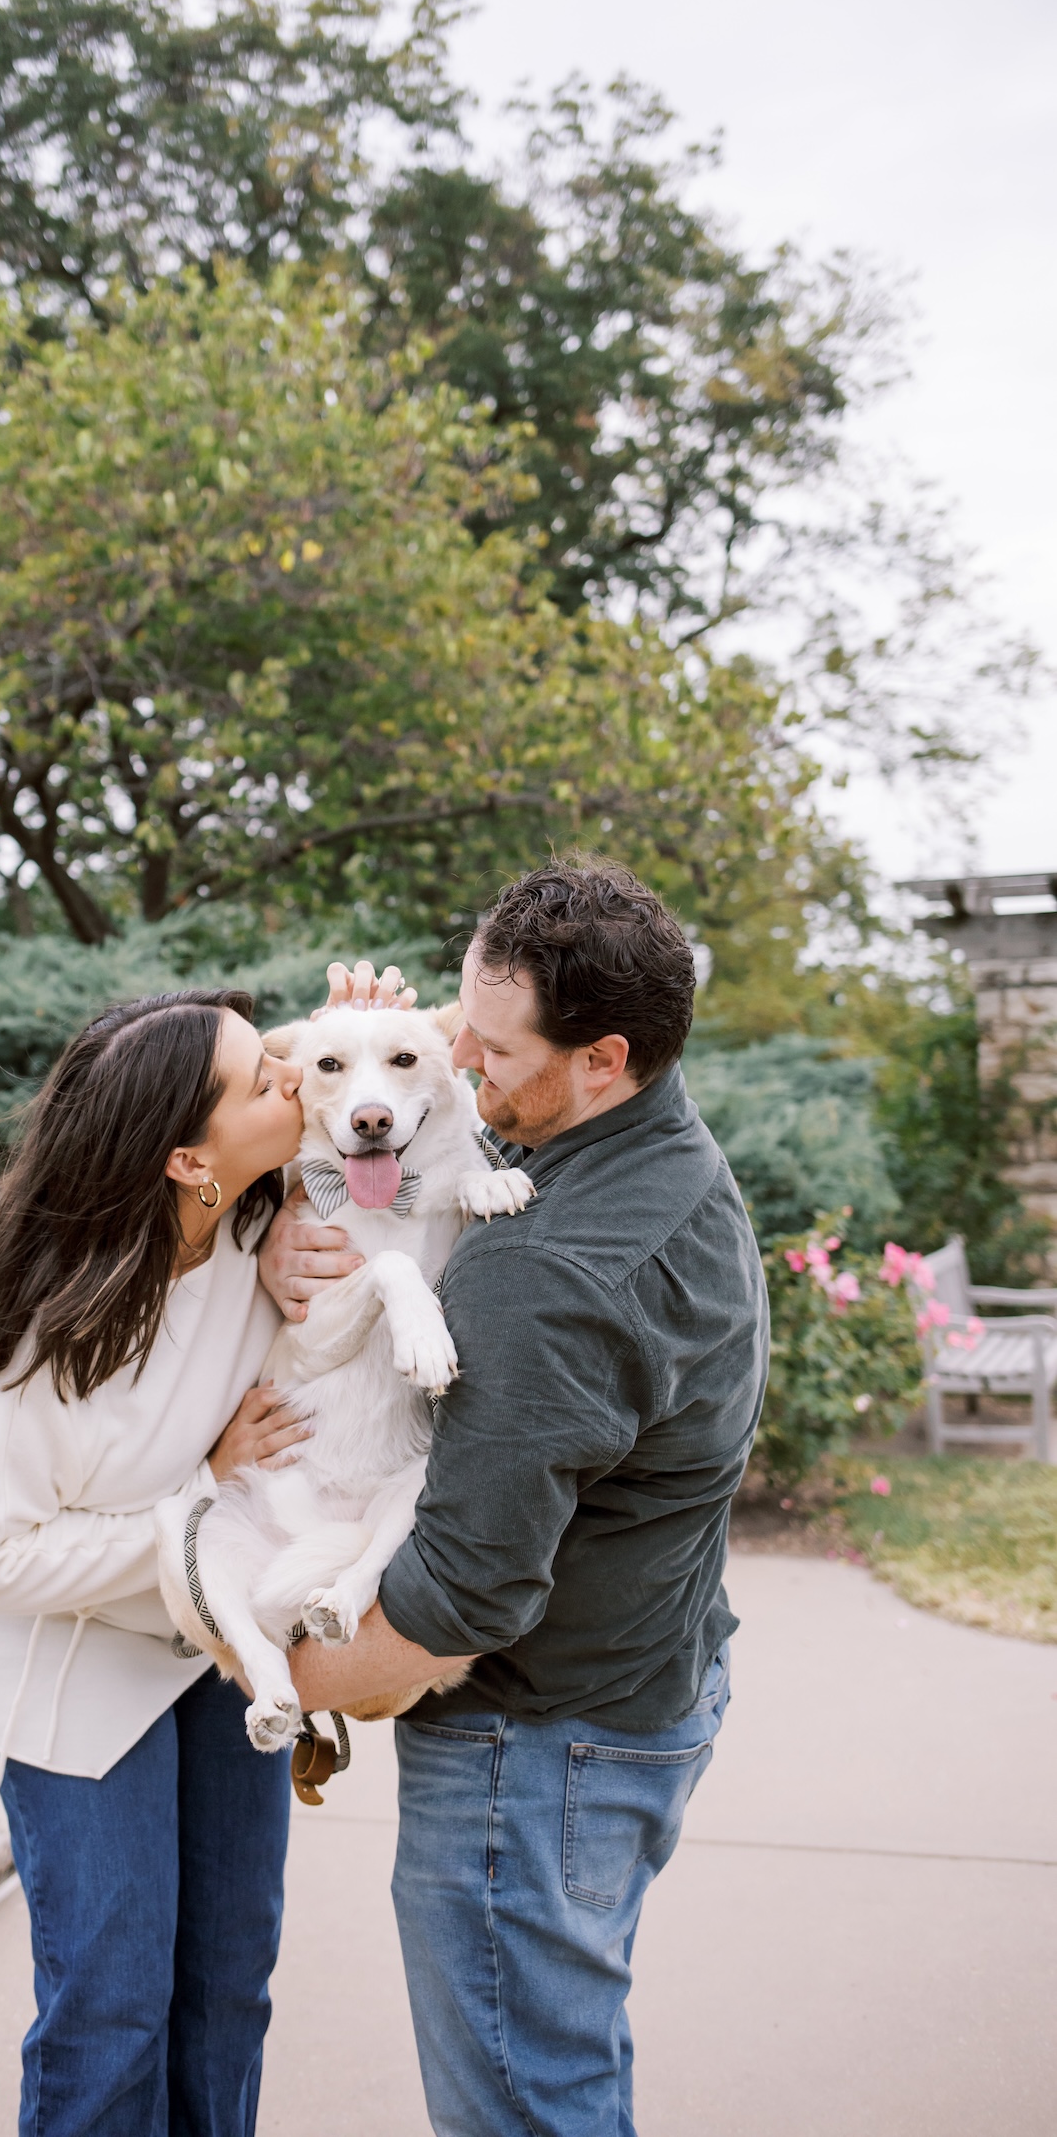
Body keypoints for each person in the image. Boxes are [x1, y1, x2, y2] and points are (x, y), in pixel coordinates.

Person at [260, 859, 770, 2137]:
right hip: (651, 1684)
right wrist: (339, 1102)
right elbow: (415, 1140)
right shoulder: (661, 1153)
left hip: (534, 1755)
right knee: (563, 2070)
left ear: (601, 1057)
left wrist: (242, 1665)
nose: (462, 1069)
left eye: (489, 1051)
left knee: (525, 2109)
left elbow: (453, 1606)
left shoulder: (547, 1270)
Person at [0, 987, 312, 2137]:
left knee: (228, 1993)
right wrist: (197, 1496)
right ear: (188, 1159)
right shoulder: (12, 1324)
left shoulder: (254, 1227)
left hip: (210, 1654)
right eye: (262, 1078)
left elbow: (420, 1059)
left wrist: (370, 1009)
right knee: (116, 2008)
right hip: (71, 1677)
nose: (291, 1077)